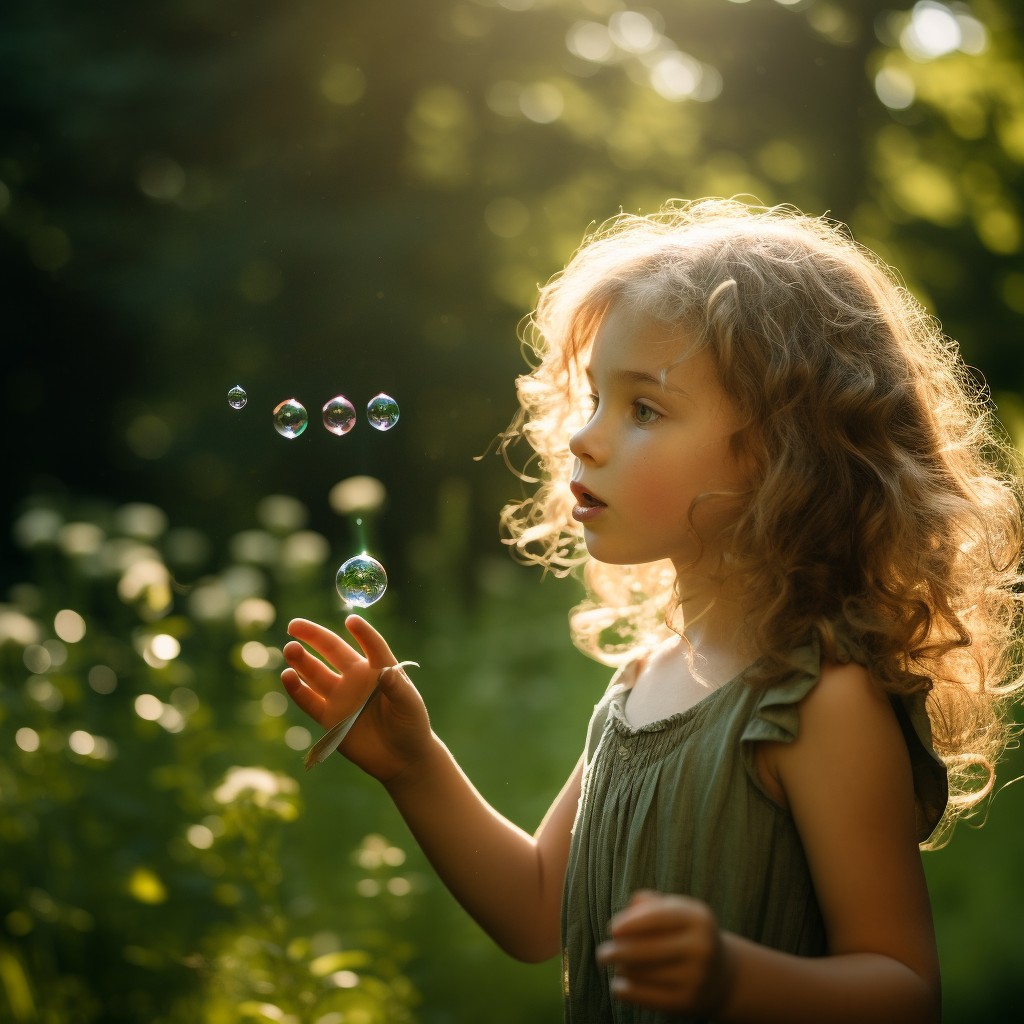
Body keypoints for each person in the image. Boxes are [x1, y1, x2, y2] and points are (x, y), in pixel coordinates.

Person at [281, 200, 1023, 1022]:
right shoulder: (640, 684)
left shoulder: (813, 703)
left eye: (644, 409)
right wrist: (414, 765)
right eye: (594, 398)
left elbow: (903, 990)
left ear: (785, 454)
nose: (583, 438)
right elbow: (535, 913)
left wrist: (734, 982)